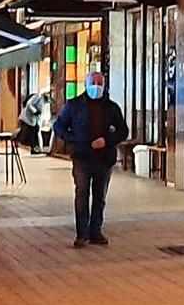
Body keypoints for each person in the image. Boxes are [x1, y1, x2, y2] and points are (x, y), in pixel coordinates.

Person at [56, 72, 129, 248]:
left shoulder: (111, 108)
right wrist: (75, 139)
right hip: (82, 157)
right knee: (82, 194)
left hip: (104, 159)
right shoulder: (74, 106)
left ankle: (95, 230)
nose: (96, 86)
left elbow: (123, 131)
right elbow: (58, 126)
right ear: (86, 84)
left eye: (99, 83)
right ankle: (82, 233)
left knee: (99, 196)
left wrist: (107, 141)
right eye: (93, 82)